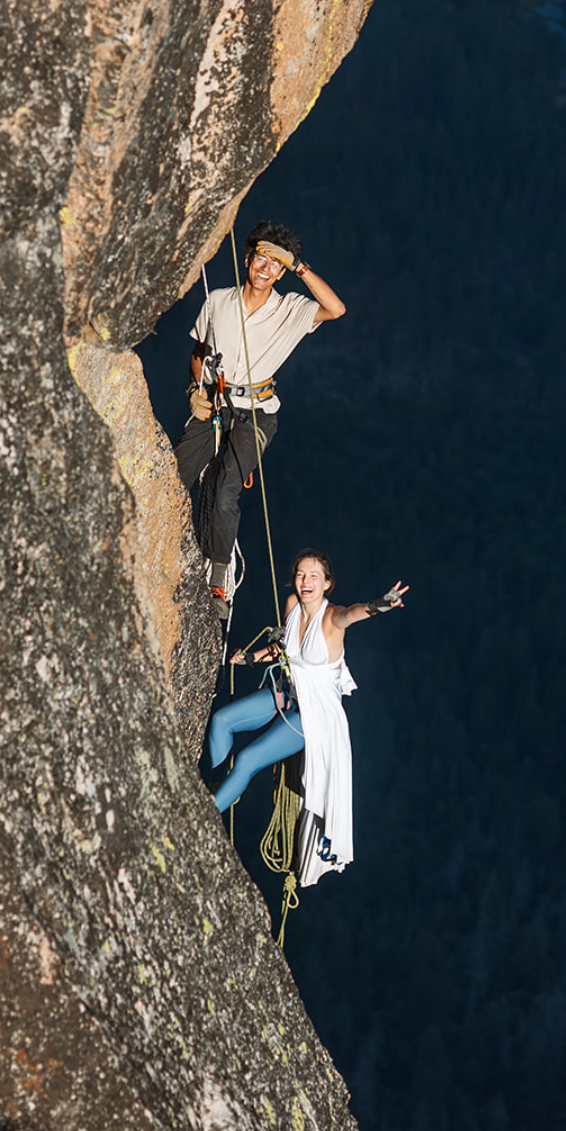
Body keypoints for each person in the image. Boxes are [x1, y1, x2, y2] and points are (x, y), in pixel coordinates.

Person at [173, 222, 346, 616]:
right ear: (247, 259)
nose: (265, 268)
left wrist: (299, 266)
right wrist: (194, 390)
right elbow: (199, 352)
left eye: (275, 263)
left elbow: (336, 309)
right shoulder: (217, 300)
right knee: (176, 473)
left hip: (257, 414)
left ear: (282, 272)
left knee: (226, 490)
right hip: (216, 402)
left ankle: (218, 578)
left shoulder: (291, 310)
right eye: (261, 258)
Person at [206, 550, 407, 886]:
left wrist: (378, 605)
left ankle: (204, 812)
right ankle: (214, 785)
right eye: (300, 574)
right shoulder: (292, 606)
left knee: (247, 758)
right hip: (287, 693)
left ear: (327, 583)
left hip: (312, 718)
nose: (305, 581)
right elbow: (285, 648)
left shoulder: (332, 618)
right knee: (221, 721)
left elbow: (353, 614)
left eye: (314, 576)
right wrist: (251, 658)